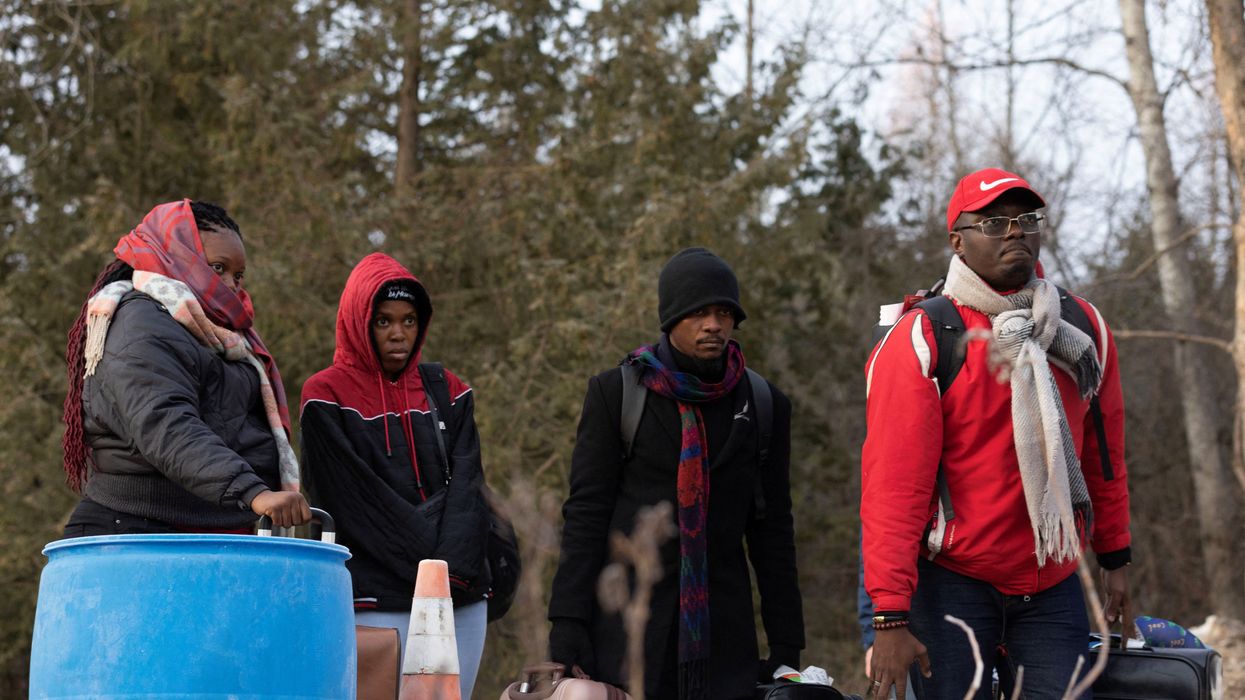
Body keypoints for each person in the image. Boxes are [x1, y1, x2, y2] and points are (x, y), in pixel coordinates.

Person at [862, 168, 1133, 700]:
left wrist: (1116, 556)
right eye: (994, 222)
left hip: (1055, 578)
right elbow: (895, 487)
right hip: (953, 580)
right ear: (957, 240)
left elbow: (1105, 452)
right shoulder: (926, 336)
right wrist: (889, 616)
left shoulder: (1080, 329)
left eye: (1027, 219)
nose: (1015, 232)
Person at [548, 247, 805, 700]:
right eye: (699, 312)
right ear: (671, 318)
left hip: (726, 640)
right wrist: (567, 626)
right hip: (628, 630)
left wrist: (786, 642)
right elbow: (586, 514)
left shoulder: (764, 404)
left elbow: (772, 532)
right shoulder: (617, 394)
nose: (714, 324)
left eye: (724, 312)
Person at [299, 252, 489, 699]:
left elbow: (470, 486)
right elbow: (352, 503)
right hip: (378, 599)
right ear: (359, 322)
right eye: (383, 321)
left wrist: (451, 575)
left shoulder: (448, 388)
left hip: (461, 596)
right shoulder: (325, 394)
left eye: (408, 320)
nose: (398, 333)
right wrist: (434, 570)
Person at [60, 199, 310, 536]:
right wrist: (254, 492)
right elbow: (165, 423)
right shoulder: (140, 321)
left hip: (210, 528)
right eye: (218, 268)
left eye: (239, 275)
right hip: (141, 532)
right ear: (176, 256)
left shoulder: (221, 335)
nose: (233, 286)